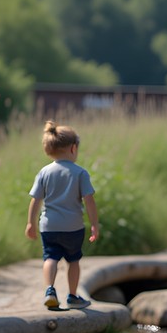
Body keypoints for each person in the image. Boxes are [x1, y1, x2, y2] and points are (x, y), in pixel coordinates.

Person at [26, 121, 100, 310]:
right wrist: (94, 224)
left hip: (49, 226)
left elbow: (35, 200)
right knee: (73, 260)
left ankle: (49, 290)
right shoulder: (80, 173)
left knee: (50, 258)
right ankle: (73, 296)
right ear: (73, 148)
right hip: (73, 227)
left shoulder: (44, 172)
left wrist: (31, 224)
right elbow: (89, 201)